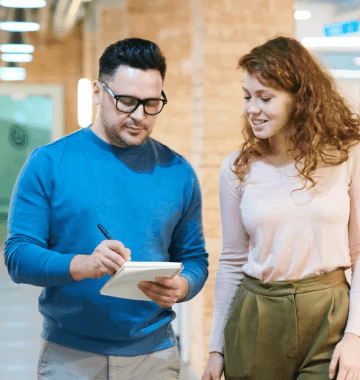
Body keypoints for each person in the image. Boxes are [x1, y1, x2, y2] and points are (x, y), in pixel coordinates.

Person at [4, 37, 208, 380]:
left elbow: (195, 259)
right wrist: (83, 265)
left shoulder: (178, 172)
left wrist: (183, 286)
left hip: (154, 357)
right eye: (126, 101)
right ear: (98, 92)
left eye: (152, 103)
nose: (140, 115)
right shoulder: (49, 163)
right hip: (70, 357)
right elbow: (18, 256)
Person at [202, 36, 360, 380]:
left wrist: (356, 336)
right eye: (247, 97)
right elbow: (232, 260)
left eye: (265, 98)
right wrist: (216, 349)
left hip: (329, 314)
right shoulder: (237, 167)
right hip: (256, 314)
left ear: (300, 99)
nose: (251, 109)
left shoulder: (348, 155)